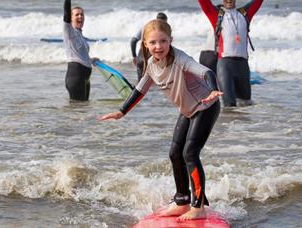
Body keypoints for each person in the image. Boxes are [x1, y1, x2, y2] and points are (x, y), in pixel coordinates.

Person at [100, 19, 222, 220]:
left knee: (190, 153)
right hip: (188, 109)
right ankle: (182, 200)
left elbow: (205, 71)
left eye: (163, 41)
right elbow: (140, 89)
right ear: (145, 45)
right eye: (153, 43)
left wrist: (212, 89)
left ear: (170, 41)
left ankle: (198, 207)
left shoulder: (180, 59)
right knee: (175, 153)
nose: (158, 47)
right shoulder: (150, 65)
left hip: (206, 106)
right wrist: (121, 112)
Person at [198, 0, 263, 107]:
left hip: (243, 65)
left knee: (246, 104)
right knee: (229, 105)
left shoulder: (245, 13)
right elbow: (203, 2)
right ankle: (228, 124)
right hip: (225, 65)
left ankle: (245, 125)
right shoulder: (216, 14)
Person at [63, 0, 97, 101]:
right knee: (77, 112)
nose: (80, 17)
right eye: (77, 15)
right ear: (71, 18)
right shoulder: (68, 30)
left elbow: (80, 56)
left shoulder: (80, 35)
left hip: (85, 79)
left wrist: (90, 60)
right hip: (76, 77)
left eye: (82, 14)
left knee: (83, 109)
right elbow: (66, 13)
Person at [130, 12, 168, 82]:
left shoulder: (145, 28)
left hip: (140, 59)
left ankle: (134, 91)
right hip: (151, 61)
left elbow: (133, 41)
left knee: (140, 85)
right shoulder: (162, 32)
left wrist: (134, 56)